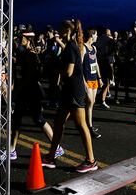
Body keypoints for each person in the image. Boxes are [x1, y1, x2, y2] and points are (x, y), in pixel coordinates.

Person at [42, 19, 97, 173]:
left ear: (68, 30)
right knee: (58, 122)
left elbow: (69, 72)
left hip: (74, 90)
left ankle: (91, 161)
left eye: (61, 27)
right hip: (68, 90)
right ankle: (51, 157)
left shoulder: (71, 47)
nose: (58, 29)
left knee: (81, 125)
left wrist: (55, 67)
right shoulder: (70, 46)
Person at [9, 28, 64, 161]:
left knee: (38, 118)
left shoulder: (31, 54)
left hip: (30, 91)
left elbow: (30, 76)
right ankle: (12, 149)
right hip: (26, 90)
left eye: (20, 37)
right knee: (18, 119)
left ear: (27, 39)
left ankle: (56, 147)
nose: (18, 39)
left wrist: (17, 90)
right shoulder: (23, 53)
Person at [83, 28, 103, 138]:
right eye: (96, 35)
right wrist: (83, 81)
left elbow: (96, 64)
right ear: (92, 35)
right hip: (87, 80)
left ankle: (88, 123)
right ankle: (89, 127)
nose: (97, 37)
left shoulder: (94, 48)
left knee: (92, 102)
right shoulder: (84, 48)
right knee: (89, 102)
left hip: (94, 78)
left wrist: (99, 78)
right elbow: (80, 66)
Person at [95, 28, 115, 108]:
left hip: (98, 62)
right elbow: (114, 51)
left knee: (97, 82)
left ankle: (98, 98)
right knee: (106, 83)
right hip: (106, 63)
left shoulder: (98, 39)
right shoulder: (110, 40)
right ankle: (102, 100)